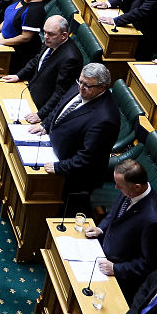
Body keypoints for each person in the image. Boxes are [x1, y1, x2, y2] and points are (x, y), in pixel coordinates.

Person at [30, 62, 121, 207]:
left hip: (70, 175)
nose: (81, 87)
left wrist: (59, 167)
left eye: (87, 85)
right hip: (51, 146)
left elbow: (87, 159)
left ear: (102, 87)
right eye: (80, 82)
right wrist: (46, 125)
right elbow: (61, 106)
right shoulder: (82, 86)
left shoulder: (105, 119)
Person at [85, 160, 157, 300]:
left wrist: (116, 269)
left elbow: (148, 264)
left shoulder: (153, 221)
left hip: (119, 277)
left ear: (137, 187)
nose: (116, 187)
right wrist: (101, 228)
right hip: (101, 254)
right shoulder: (131, 191)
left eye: (119, 185)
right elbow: (115, 214)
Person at [7, 16, 84, 120]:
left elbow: (60, 93)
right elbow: (36, 60)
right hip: (30, 91)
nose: (46, 36)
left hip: (41, 106)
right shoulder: (51, 42)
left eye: (51, 34)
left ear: (64, 35)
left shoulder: (71, 58)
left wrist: (40, 115)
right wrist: (18, 76)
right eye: (45, 32)